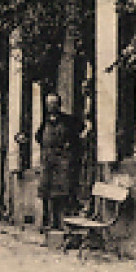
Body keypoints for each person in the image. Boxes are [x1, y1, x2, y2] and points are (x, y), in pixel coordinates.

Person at [36, 91, 83, 231]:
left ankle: (62, 223)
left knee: (62, 192)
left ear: (59, 104)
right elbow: (38, 137)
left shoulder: (68, 120)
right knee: (46, 192)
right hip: (48, 161)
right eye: (49, 103)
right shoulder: (45, 120)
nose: (51, 106)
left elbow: (79, 133)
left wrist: (70, 145)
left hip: (62, 161)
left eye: (54, 103)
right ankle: (48, 222)